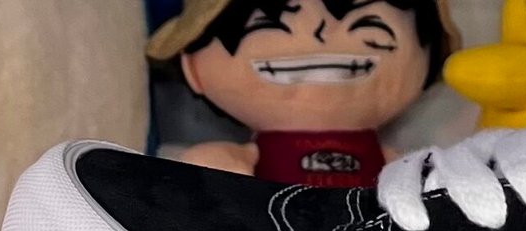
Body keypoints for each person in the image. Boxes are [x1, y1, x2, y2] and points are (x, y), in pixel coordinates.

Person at [148, 0, 457, 186]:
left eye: (363, 19)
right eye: (273, 23)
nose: (321, 32)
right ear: (194, 69)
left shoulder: (399, 163)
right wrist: (219, 167)